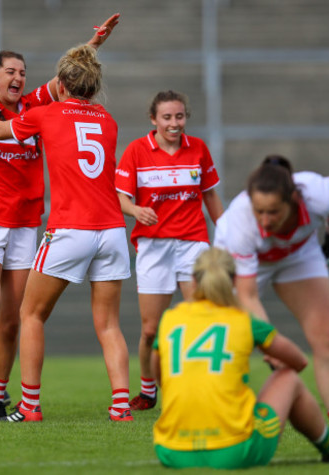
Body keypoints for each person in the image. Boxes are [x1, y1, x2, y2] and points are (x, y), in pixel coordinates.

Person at [0, 6, 120, 421]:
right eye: (9, 71)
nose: (18, 78)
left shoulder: (33, 108)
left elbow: (70, 78)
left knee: (14, 318)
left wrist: (94, 45)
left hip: (26, 225)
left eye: (22, 72)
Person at [213, 155, 329, 454]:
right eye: (259, 212)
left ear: (293, 199)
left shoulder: (317, 193)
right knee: (230, 343)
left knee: (327, 335)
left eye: (274, 212)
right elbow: (248, 295)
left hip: (297, 255)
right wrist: (271, 345)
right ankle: (219, 424)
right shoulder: (240, 221)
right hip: (244, 267)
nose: (265, 220)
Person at [151, 247, 329, 469]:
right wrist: (274, 359)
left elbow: (160, 377)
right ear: (233, 281)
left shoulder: (170, 319)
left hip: (171, 451)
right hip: (233, 451)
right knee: (288, 378)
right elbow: (299, 362)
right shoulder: (244, 320)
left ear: (193, 280)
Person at [115, 90, 223, 411]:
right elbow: (121, 198)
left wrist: (229, 235)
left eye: (179, 116)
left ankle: (197, 388)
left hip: (193, 243)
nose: (174, 123)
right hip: (154, 246)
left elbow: (211, 197)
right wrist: (135, 212)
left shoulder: (198, 149)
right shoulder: (137, 151)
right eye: (167, 117)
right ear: (154, 120)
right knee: (151, 330)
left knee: (199, 320)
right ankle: (149, 391)